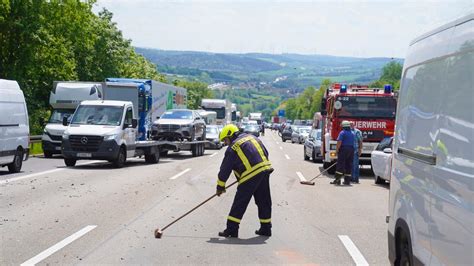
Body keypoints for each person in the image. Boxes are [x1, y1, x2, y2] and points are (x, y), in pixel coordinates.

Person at [216, 124, 274, 238]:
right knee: (264, 200)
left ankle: (232, 229)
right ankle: (266, 228)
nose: (226, 143)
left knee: (240, 202)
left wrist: (220, 186)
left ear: (230, 135)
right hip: (265, 169)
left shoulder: (233, 147)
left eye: (226, 140)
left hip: (251, 174)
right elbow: (265, 152)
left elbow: (225, 169)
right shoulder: (253, 137)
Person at [331, 120, 355, 185]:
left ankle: (337, 180)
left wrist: (336, 150)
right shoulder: (353, 133)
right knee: (348, 165)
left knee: (340, 165)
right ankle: (347, 181)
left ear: (343, 126)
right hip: (351, 150)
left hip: (344, 149)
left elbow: (339, 142)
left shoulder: (342, 133)